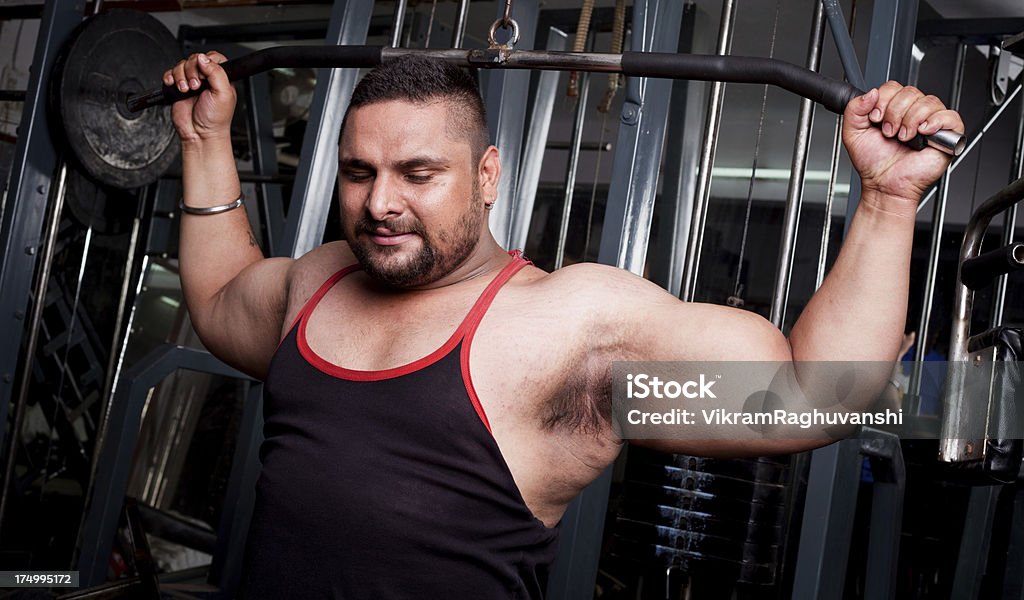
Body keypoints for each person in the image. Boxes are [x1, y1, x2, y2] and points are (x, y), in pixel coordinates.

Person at [164, 52, 963, 598]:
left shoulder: (571, 330)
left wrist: (889, 202)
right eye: (360, 173)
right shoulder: (318, 280)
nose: (381, 203)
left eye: (419, 173)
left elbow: (813, 396)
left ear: (486, 177)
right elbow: (221, 295)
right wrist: (204, 140)